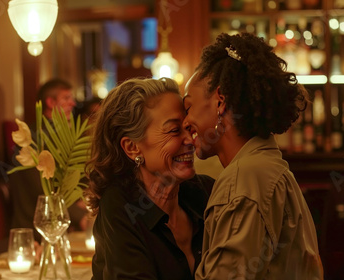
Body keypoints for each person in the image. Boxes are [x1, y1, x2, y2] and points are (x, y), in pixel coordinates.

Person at [183, 33, 324, 279]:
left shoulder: (243, 179)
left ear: (220, 102)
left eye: (188, 107)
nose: (185, 122)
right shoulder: (267, 167)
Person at [86, 77, 214, 279]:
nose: (190, 140)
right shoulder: (121, 206)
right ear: (132, 147)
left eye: (188, 128)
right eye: (174, 130)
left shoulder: (206, 192)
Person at [9, 78, 87, 235]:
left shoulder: (64, 138)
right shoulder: (33, 140)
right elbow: (43, 189)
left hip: (63, 226)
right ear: (51, 102)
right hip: (34, 230)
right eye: (66, 98)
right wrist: (81, 216)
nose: (72, 103)